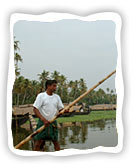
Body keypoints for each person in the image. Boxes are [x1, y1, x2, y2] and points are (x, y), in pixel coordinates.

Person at [33, 80, 66, 151]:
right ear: (48, 86)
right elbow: (35, 109)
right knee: (38, 142)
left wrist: (65, 111)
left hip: (53, 122)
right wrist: (43, 120)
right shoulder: (41, 96)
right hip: (43, 123)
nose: (55, 88)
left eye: (56, 86)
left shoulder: (57, 97)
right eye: (54, 86)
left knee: (56, 142)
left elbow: (61, 109)